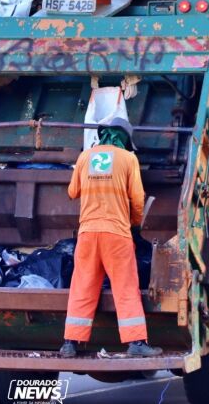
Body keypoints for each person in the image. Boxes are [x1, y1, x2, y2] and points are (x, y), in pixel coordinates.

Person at [60, 118, 162, 358]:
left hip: (87, 234)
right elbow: (138, 199)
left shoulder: (85, 157)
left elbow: (72, 192)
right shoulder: (128, 159)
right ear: (125, 139)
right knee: (125, 287)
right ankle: (136, 342)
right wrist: (134, 224)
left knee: (82, 286)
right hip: (117, 235)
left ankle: (70, 343)